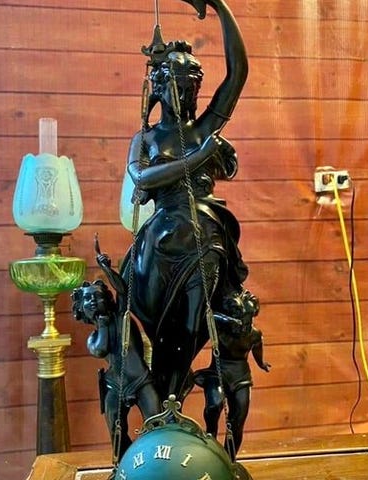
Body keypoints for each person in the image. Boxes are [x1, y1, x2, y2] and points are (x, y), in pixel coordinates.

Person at [120, 0, 249, 403]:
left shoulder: (205, 126)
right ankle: (160, 400)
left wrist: (220, 7)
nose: (188, 93)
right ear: (159, 87)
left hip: (204, 237)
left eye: (193, 85)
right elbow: (142, 178)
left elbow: (238, 73)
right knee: (158, 327)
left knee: (193, 326)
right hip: (161, 239)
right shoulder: (146, 139)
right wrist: (200, 156)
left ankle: (173, 396)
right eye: (179, 84)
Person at [71, 249, 161, 461]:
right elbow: (101, 349)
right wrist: (102, 324)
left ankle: (155, 460)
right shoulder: (93, 338)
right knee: (115, 427)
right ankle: (125, 462)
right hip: (115, 384)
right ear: (81, 310)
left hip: (140, 380)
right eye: (88, 300)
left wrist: (106, 269)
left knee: (156, 422)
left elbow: (123, 290)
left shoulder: (122, 316)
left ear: (107, 299)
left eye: (97, 297)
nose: (93, 301)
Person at [194, 289, 270, 455]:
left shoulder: (254, 335)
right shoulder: (221, 330)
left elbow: (257, 351)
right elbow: (207, 315)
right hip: (218, 373)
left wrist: (261, 364)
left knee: (238, 420)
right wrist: (226, 320)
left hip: (241, 377)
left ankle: (229, 458)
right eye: (240, 319)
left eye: (248, 319)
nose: (243, 325)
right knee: (214, 406)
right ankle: (211, 437)